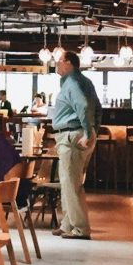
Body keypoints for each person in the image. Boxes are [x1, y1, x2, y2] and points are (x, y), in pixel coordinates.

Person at [51, 49, 97, 239]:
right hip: (76, 135)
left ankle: (80, 228)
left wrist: (87, 132)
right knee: (68, 182)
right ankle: (68, 224)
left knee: (71, 184)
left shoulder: (73, 83)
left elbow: (84, 106)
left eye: (59, 60)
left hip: (72, 136)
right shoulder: (84, 82)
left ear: (69, 62)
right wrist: (94, 130)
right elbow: (97, 108)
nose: (56, 63)